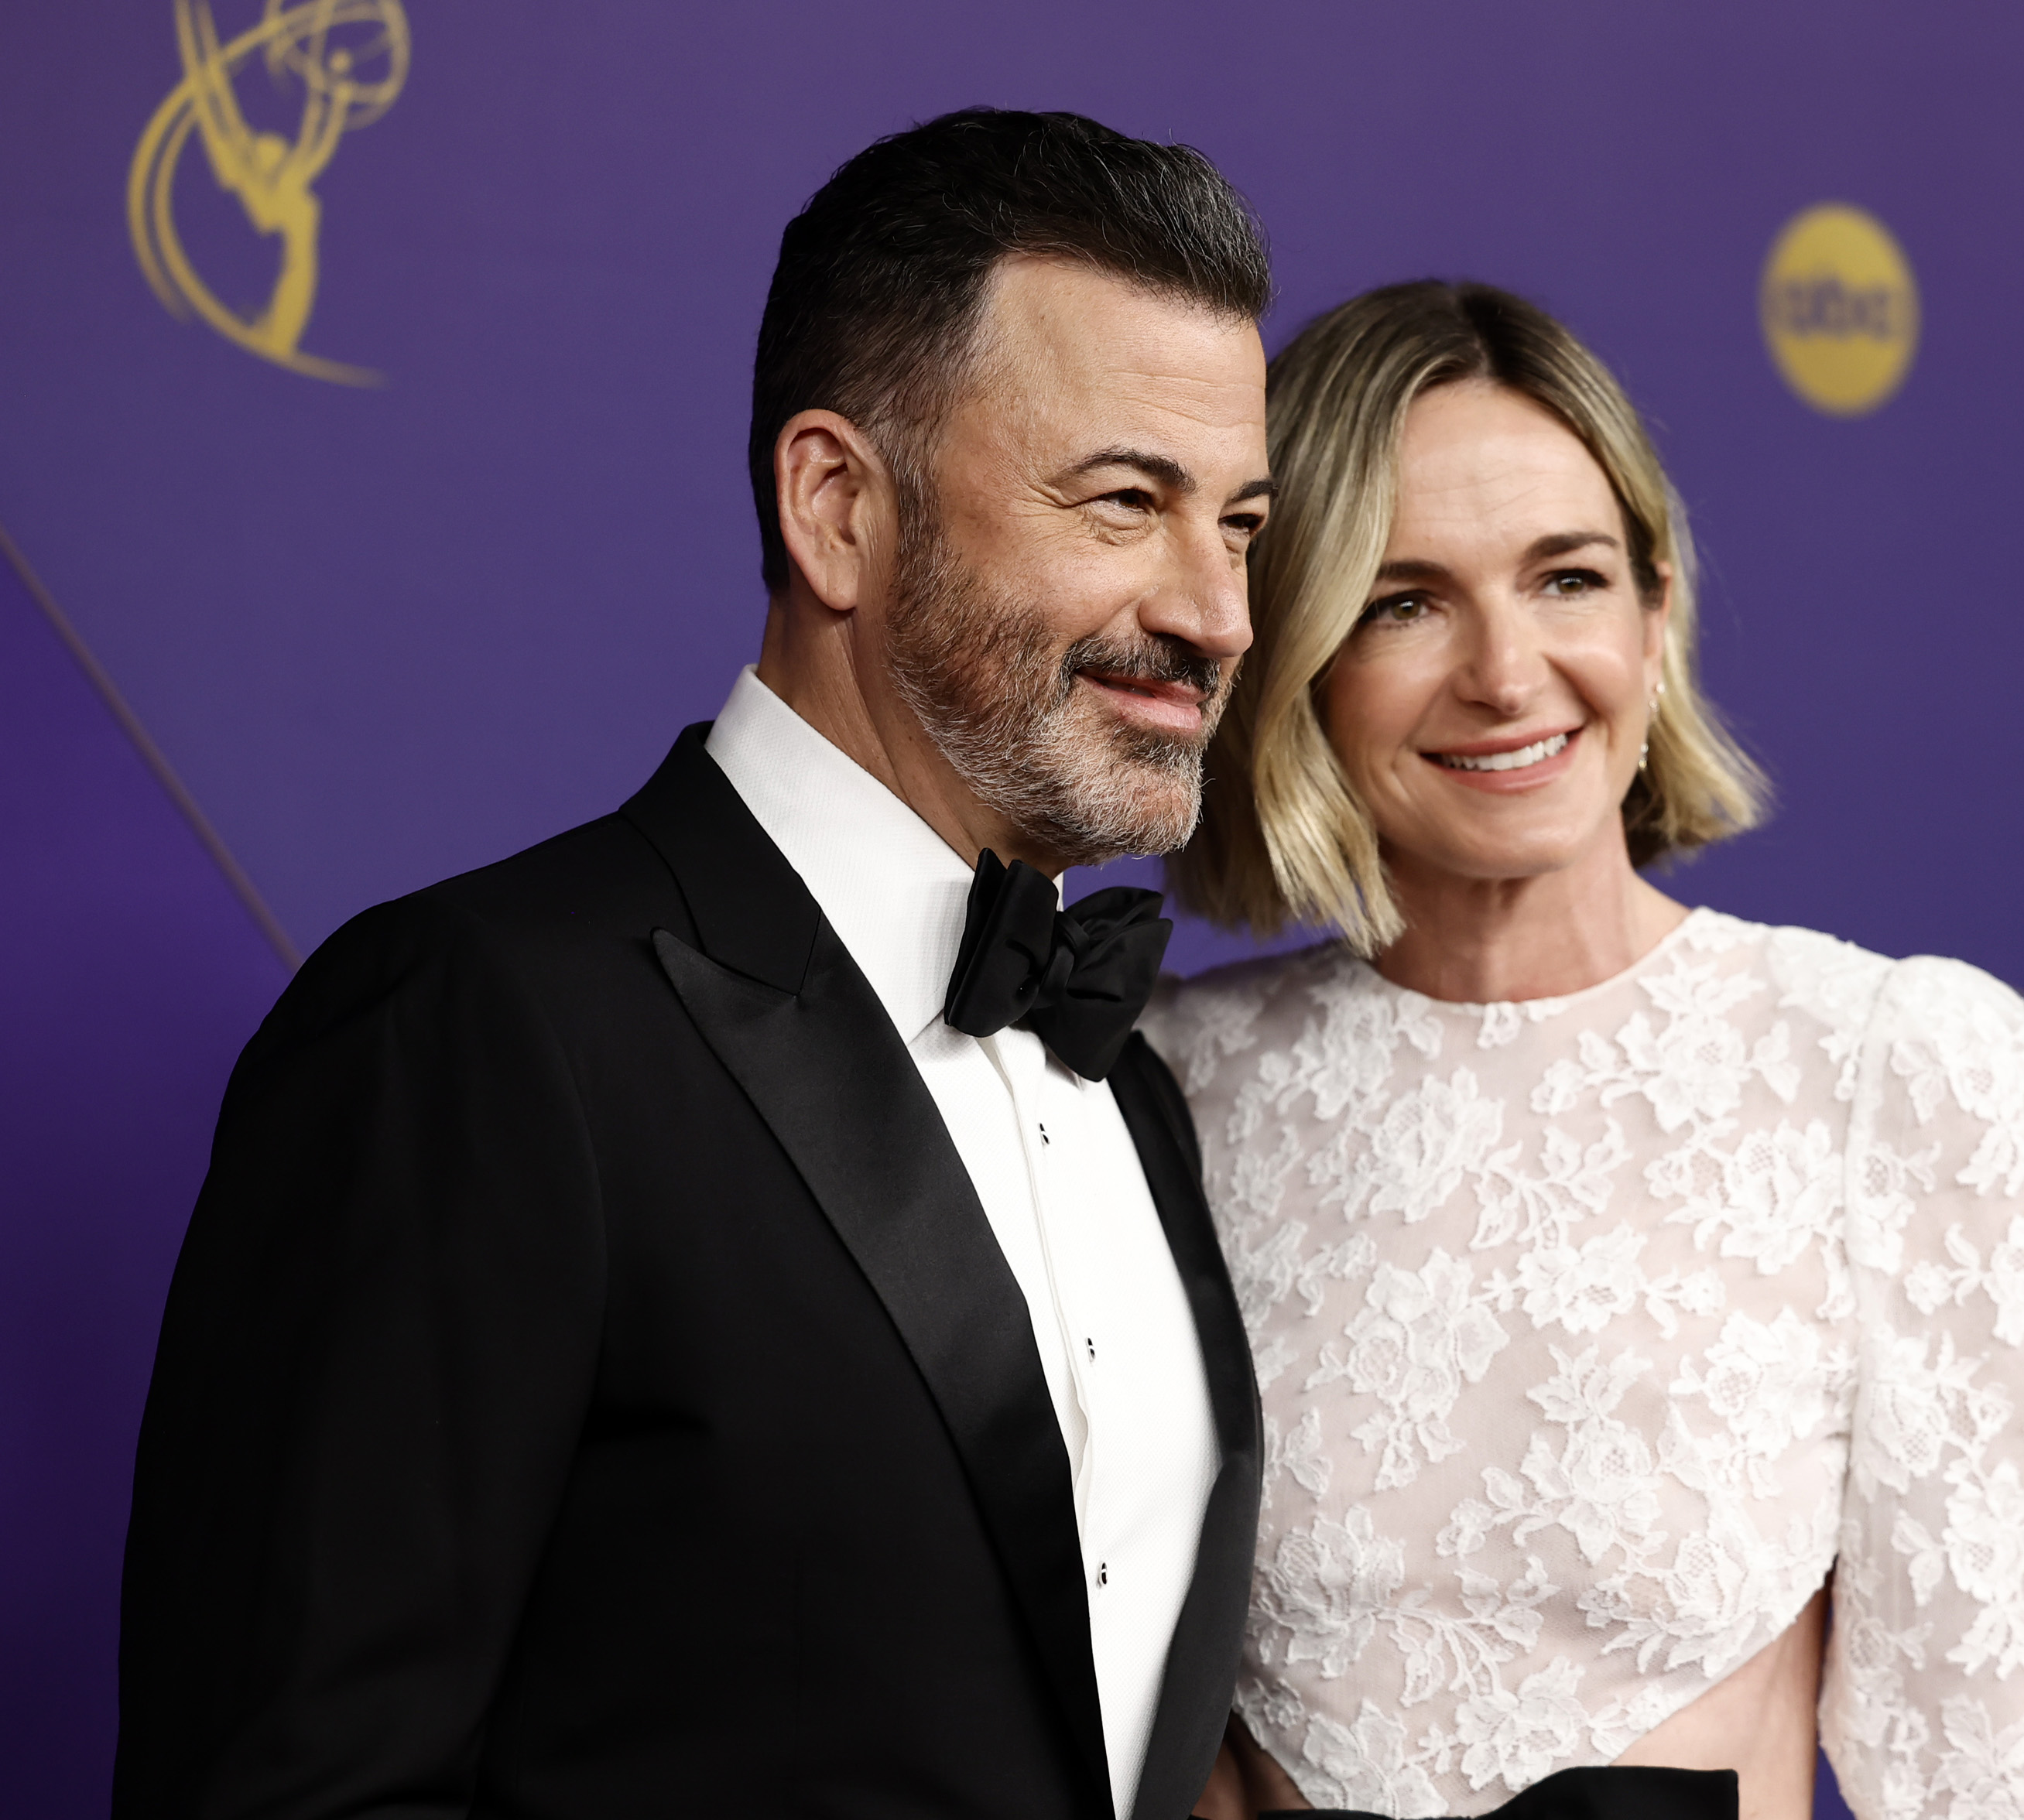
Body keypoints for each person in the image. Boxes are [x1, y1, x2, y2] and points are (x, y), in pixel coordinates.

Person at [117, 109, 1275, 1820]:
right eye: (1125, 502)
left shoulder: (1136, 1086)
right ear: (835, 509)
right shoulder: (476, 1030)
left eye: (1240, 524)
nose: (1218, 610)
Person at [1152, 283, 2024, 1820]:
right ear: (1293, 661)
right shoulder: (1156, 1093)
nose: (1508, 673)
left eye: (1568, 579)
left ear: (1659, 619)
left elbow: (1993, 1777)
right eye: (1404, 601)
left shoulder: (1895, 1069)